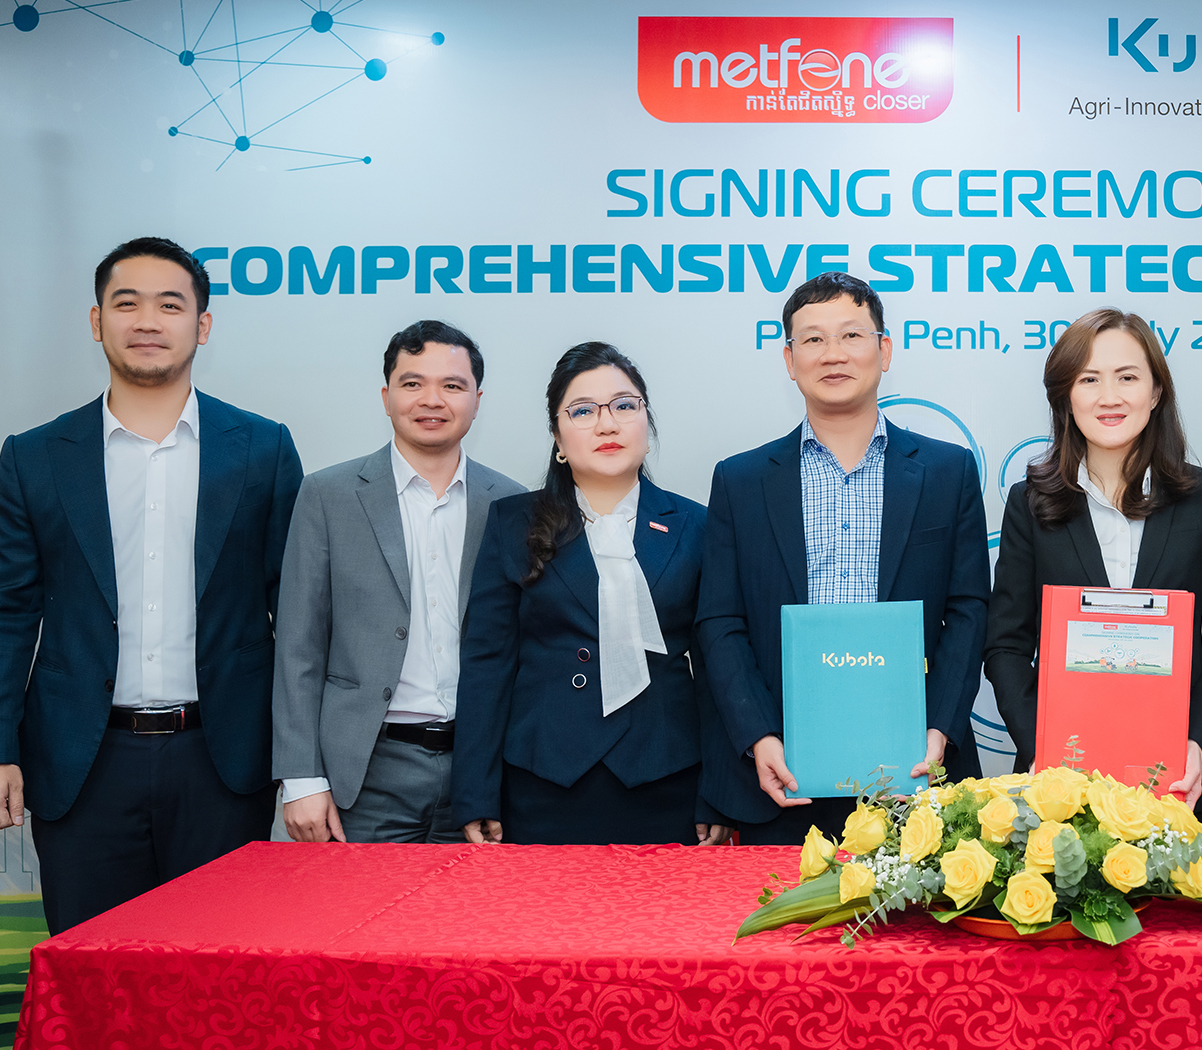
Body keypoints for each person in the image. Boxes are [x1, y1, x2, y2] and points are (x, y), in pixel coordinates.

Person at [0, 236, 302, 933]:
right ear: (96, 320)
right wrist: (2, 747)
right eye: (125, 303)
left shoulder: (262, 449)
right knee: (94, 968)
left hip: (224, 761)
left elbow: (296, 616)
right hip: (82, 763)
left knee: (220, 971)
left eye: (169, 305)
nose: (146, 321)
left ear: (202, 325)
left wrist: (303, 760)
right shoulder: (34, 456)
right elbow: (9, 615)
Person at [698, 272, 989, 845]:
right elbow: (720, 621)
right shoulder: (741, 481)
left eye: (852, 335)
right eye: (813, 339)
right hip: (781, 773)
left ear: (885, 350)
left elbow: (968, 610)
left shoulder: (947, 472)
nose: (833, 354)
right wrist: (758, 736)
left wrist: (939, 729)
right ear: (789, 360)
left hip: (917, 773)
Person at [984, 308, 1202, 807]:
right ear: (1066, 396)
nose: (1109, 397)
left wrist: (1196, 742)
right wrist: (1043, 746)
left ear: (1155, 392)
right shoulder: (1030, 502)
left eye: (1127, 377)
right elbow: (1005, 645)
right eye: (1089, 379)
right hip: (1058, 781)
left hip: (1180, 779)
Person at [452, 343, 719, 846]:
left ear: (647, 423)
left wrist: (718, 791)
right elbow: (488, 664)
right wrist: (475, 792)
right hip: (543, 779)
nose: (606, 424)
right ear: (558, 437)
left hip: (668, 777)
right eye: (582, 411)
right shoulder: (514, 523)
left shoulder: (697, 525)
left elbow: (715, 666)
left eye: (624, 405)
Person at [272, 321, 525, 844]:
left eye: (452, 385)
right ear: (386, 396)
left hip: (481, 771)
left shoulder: (512, 504)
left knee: (476, 903)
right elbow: (298, 645)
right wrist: (301, 777)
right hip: (363, 774)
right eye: (412, 383)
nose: (432, 399)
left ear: (477, 400)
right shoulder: (327, 496)